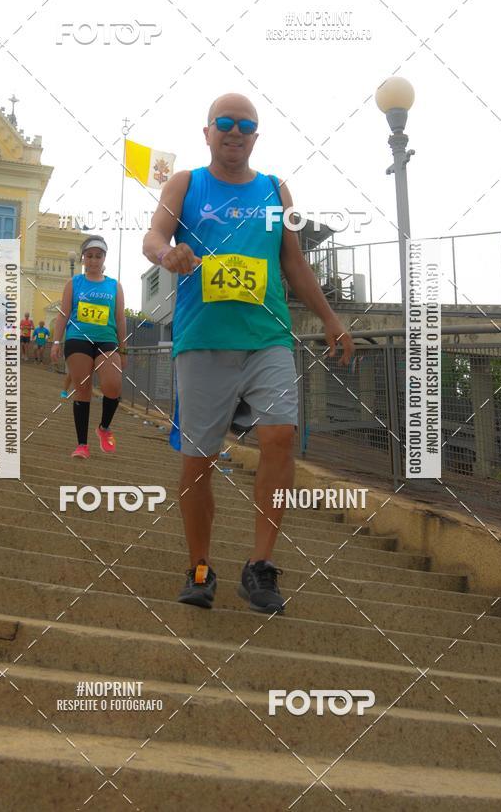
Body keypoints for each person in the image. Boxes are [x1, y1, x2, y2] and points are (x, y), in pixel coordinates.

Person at [143, 92, 355, 614]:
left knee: (280, 437)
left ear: (255, 137)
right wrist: (166, 254)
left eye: (245, 125)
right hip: (204, 341)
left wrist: (330, 319)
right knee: (198, 460)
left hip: (268, 338)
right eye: (224, 123)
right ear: (208, 132)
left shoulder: (274, 189)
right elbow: (153, 235)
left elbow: (295, 262)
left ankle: (260, 567)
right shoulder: (186, 183)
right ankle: (199, 565)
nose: (234, 132)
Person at [50, 235, 127, 459]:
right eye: (90, 256)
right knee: (82, 389)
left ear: (104, 258)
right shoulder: (74, 283)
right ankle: (82, 445)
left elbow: (120, 318)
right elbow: (64, 313)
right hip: (78, 339)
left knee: (112, 385)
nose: (94, 260)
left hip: (106, 340)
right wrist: (56, 341)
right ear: (84, 258)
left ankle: (103, 428)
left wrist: (123, 349)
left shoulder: (114, 285)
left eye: (98, 256)